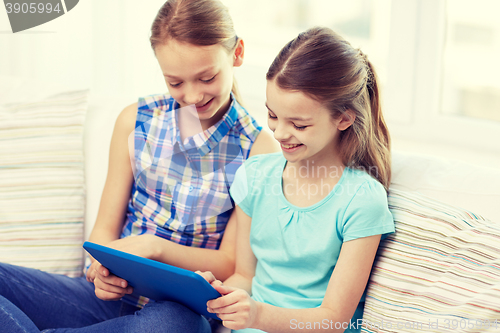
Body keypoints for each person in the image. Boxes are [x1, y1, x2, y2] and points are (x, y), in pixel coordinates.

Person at [0, 0, 277, 332]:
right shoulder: (135, 121)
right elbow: (104, 230)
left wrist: (155, 247)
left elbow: (230, 261)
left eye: (206, 77)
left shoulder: (258, 149)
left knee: (166, 326)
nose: (191, 96)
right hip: (105, 299)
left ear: (237, 53)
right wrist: (100, 269)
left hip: (178, 312)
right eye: (175, 83)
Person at [197, 27, 396, 333]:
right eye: (273, 116)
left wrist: (258, 316)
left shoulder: (362, 199)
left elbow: (334, 319)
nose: (278, 134)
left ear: (343, 118)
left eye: (299, 124)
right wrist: (220, 295)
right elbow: (245, 277)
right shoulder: (255, 176)